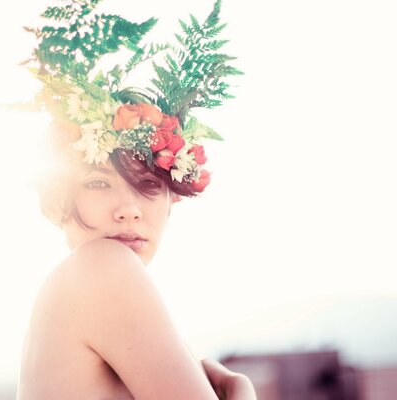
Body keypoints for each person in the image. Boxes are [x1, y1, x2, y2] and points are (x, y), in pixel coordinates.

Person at [16, 1, 255, 399]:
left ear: (173, 199)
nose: (128, 208)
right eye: (97, 183)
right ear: (57, 200)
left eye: (148, 183)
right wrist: (242, 392)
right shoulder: (101, 267)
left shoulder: (66, 298)